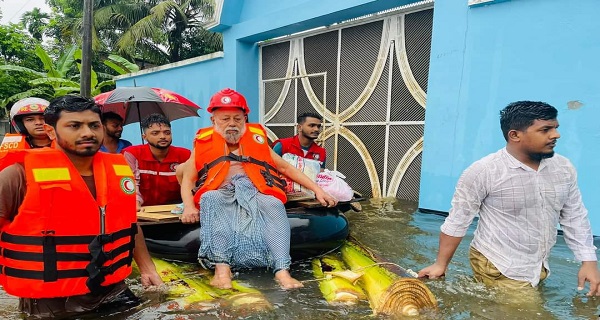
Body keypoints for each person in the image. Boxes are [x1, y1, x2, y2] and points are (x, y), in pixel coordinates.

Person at [0, 95, 163, 319]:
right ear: (50, 131)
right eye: (74, 126)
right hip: (52, 300)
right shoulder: (17, 175)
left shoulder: (117, 171)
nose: (87, 133)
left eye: (94, 125)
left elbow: (130, 225)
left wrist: (147, 269)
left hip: (112, 289)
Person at [418, 101, 600, 296]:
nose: (556, 135)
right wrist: (440, 264)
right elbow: (458, 220)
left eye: (555, 128)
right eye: (545, 129)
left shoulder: (563, 168)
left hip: (538, 264)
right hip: (497, 264)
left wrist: (588, 262)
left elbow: (574, 216)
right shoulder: (484, 171)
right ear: (515, 135)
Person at [179, 88, 337, 290]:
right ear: (213, 120)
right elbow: (188, 179)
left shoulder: (257, 139)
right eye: (225, 118)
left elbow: (284, 167)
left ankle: (282, 270)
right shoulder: (202, 142)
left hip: (254, 190)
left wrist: (318, 190)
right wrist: (188, 207)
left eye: (237, 118)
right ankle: (222, 270)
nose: (232, 124)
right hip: (221, 191)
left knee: (273, 203)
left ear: (245, 118)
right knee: (210, 198)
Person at [123, 113, 191, 209]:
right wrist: (135, 206)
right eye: (155, 133)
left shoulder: (185, 155)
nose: (163, 136)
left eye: (167, 132)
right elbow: (131, 183)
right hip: (142, 211)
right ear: (144, 137)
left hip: (176, 212)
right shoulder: (131, 154)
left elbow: (191, 184)